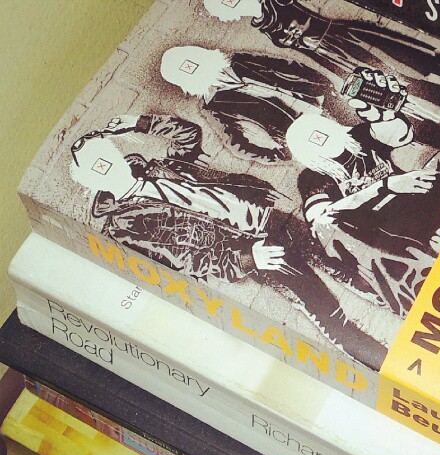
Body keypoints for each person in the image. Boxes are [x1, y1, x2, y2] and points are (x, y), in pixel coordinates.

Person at [70, 113, 388, 368]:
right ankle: (383, 362)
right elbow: (186, 260)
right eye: (95, 166)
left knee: (349, 267)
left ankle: (392, 305)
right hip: (257, 252)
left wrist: (139, 123)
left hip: (272, 217)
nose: (105, 164)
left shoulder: (160, 169)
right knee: (328, 313)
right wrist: (248, 258)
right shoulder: (123, 225)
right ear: (90, 181)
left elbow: (189, 135)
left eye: (105, 153)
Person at [287, 73, 440, 316]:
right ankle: (429, 283)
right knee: (350, 241)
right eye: (313, 140)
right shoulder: (312, 179)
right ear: (306, 155)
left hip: (418, 205)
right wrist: (384, 186)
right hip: (385, 235)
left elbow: (399, 135)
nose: (321, 139)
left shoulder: (359, 137)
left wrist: (384, 117)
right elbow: (321, 221)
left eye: (321, 132)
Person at [201, 0, 440, 136]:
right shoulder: (265, 24)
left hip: (352, 40)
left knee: (437, 66)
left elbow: (302, 23)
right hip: (343, 59)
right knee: (425, 92)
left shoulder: (277, 5)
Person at [161, 45, 335, 163]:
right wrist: (280, 155)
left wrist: (324, 88)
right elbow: (237, 145)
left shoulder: (240, 60)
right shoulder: (212, 106)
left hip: (320, 104)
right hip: (298, 134)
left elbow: (292, 67)